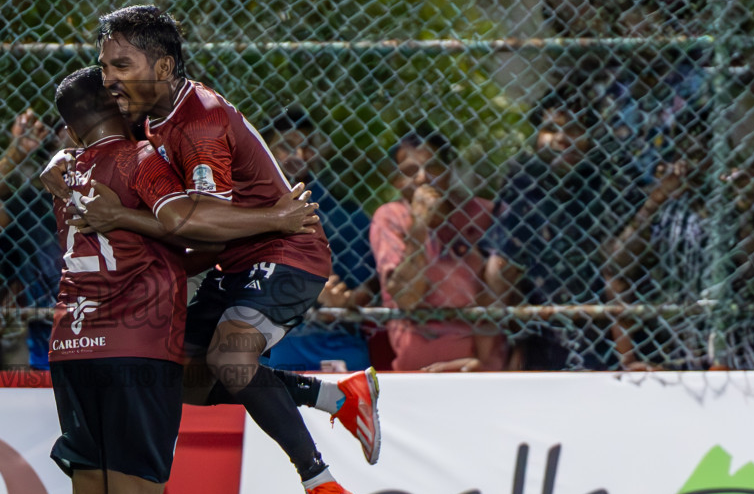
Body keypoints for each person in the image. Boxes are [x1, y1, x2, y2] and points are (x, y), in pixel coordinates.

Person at [46, 66, 318, 494]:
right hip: (137, 351)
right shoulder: (142, 159)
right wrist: (273, 216)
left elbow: (152, 244)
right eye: (115, 86)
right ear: (110, 106)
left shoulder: (68, 176)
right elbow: (187, 224)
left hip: (71, 346)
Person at [69, 5, 381, 494]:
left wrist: (120, 215)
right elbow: (87, 153)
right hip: (232, 259)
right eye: (104, 66)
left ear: (164, 68)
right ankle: (338, 397)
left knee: (231, 354)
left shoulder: (202, 119)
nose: (108, 79)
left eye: (121, 65)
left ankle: (324, 485)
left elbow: (194, 222)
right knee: (178, 376)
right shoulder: (146, 118)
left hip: (288, 251)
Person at [607, 128, 754, 369]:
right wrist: (657, 199)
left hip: (747, 337)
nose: (701, 167)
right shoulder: (669, 212)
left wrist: (743, 210)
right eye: (691, 158)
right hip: (675, 341)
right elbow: (617, 266)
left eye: (713, 158)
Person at [482, 100, 623, 370]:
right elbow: (499, 275)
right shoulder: (520, 190)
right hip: (539, 336)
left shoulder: (605, 191)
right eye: (551, 128)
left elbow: (616, 271)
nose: (562, 137)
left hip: (603, 336)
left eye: (573, 128)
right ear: (536, 137)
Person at [370, 128, 504, 372]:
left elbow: (501, 287)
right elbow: (406, 297)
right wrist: (419, 225)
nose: (422, 178)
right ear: (397, 181)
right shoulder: (390, 218)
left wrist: (484, 362)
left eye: (433, 167)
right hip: (417, 367)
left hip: (479, 365)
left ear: (449, 170)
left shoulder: (482, 214)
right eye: (410, 171)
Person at [260, 108, 374, 372]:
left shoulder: (347, 217)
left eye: (307, 147)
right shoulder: (247, 210)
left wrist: (344, 300)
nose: (299, 156)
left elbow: (365, 289)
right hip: (271, 339)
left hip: (333, 339)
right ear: (266, 150)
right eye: (287, 146)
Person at [0, 109, 70, 369]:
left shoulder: (118, 196)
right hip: (47, 348)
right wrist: (17, 152)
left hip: (111, 340)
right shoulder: (32, 205)